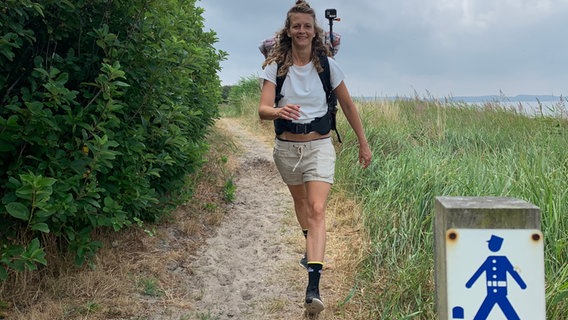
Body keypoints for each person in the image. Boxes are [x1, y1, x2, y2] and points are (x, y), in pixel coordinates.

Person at [258, 0, 372, 315]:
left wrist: (363, 142)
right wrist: (278, 110)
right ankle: (311, 243)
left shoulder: (327, 66)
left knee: (318, 208)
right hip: (286, 148)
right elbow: (263, 109)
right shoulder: (275, 67)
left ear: (314, 30)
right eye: (297, 26)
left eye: (307, 26)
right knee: (302, 205)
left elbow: (348, 105)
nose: (302, 31)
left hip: (320, 145)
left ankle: (313, 287)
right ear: (289, 30)